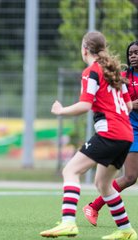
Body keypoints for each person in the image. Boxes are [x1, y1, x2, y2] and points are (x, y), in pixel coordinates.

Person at [40, 31, 137, 239]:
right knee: (103, 183)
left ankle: (68, 222)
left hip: (110, 133)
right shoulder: (115, 73)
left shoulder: (91, 71)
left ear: (85, 49)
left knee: (71, 171)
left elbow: (85, 105)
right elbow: (129, 106)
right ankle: (126, 230)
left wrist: (61, 110)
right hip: (126, 135)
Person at [83, 40, 138, 228]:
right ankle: (94, 206)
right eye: (130, 53)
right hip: (132, 129)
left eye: (136, 52)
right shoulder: (122, 77)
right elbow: (120, 102)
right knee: (130, 177)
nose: (133, 56)